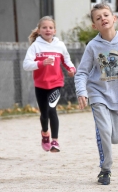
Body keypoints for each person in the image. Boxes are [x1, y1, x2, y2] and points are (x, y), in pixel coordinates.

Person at [74, 1, 118, 185]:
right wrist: (82, 92)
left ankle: (102, 133)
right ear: (94, 25)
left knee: (116, 137)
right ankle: (105, 169)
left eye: (105, 15)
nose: (103, 18)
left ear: (114, 18)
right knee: (104, 130)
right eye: (98, 17)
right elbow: (82, 73)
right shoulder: (93, 46)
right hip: (98, 93)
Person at [23, 16, 76, 153]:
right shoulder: (35, 46)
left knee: (52, 110)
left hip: (56, 83)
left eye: (50, 27)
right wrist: (41, 63)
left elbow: (67, 61)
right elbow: (26, 65)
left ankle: (55, 141)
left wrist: (71, 69)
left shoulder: (60, 45)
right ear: (39, 30)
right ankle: (45, 133)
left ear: (55, 30)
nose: (48, 30)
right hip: (40, 84)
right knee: (44, 114)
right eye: (44, 27)